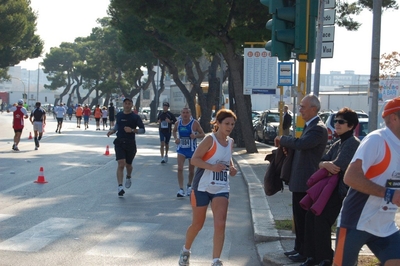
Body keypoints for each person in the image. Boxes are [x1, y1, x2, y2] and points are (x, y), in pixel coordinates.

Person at [333, 97, 400, 266]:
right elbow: (351, 177)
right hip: (355, 222)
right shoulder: (377, 140)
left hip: (384, 225)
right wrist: (389, 193)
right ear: (394, 118)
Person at [178, 109, 238, 266]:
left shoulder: (230, 142)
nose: (229, 127)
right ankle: (185, 250)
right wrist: (211, 167)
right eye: (226, 123)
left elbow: (227, 159)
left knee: (220, 223)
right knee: (198, 224)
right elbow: (194, 160)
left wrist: (231, 168)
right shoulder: (209, 140)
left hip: (221, 187)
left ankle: (216, 260)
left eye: (232, 124)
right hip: (202, 187)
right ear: (218, 123)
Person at [301, 107, 360, 266]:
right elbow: (323, 162)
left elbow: (338, 166)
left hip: (342, 192)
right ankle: (311, 256)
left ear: (351, 125)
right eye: (336, 121)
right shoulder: (337, 143)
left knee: (321, 219)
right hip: (328, 190)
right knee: (310, 216)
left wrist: (326, 165)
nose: (337, 124)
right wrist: (326, 164)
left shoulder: (352, 143)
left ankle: (325, 258)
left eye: (341, 122)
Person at [274, 94, 328, 263]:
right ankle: (299, 248)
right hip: (300, 179)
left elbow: (302, 144)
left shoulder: (318, 128)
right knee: (298, 217)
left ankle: (305, 251)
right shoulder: (309, 126)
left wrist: (284, 139)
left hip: (307, 181)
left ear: (314, 108)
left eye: (303, 107)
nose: (300, 110)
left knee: (304, 219)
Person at [107, 98, 145, 197]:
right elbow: (117, 125)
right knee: (121, 164)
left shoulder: (135, 117)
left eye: (129, 104)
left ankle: (128, 176)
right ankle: (120, 186)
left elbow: (142, 130)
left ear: (131, 105)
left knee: (128, 165)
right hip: (119, 142)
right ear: (123, 104)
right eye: (126, 103)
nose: (127, 105)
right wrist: (112, 130)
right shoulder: (119, 115)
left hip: (130, 143)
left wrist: (132, 130)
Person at [172, 107, 205, 197]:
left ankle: (189, 186)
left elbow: (203, 134)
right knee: (180, 168)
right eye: (183, 113)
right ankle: (181, 189)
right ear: (181, 114)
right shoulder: (178, 123)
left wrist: (195, 136)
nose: (185, 114)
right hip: (181, 149)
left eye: (187, 113)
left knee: (191, 170)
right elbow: (174, 131)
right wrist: (176, 139)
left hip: (191, 150)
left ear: (190, 114)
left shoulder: (194, 123)